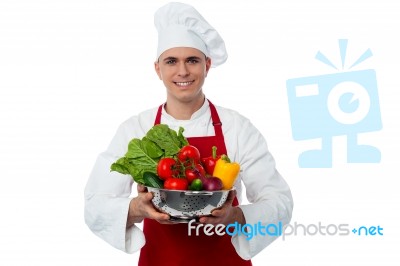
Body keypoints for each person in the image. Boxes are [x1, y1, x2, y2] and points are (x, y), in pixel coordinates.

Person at [84, 2, 293, 266]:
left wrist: (236, 216)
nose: (182, 71)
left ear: (207, 64)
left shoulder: (237, 127)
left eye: (192, 60)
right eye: (171, 61)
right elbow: (94, 203)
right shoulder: (135, 128)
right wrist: (136, 209)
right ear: (158, 68)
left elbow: (280, 201)